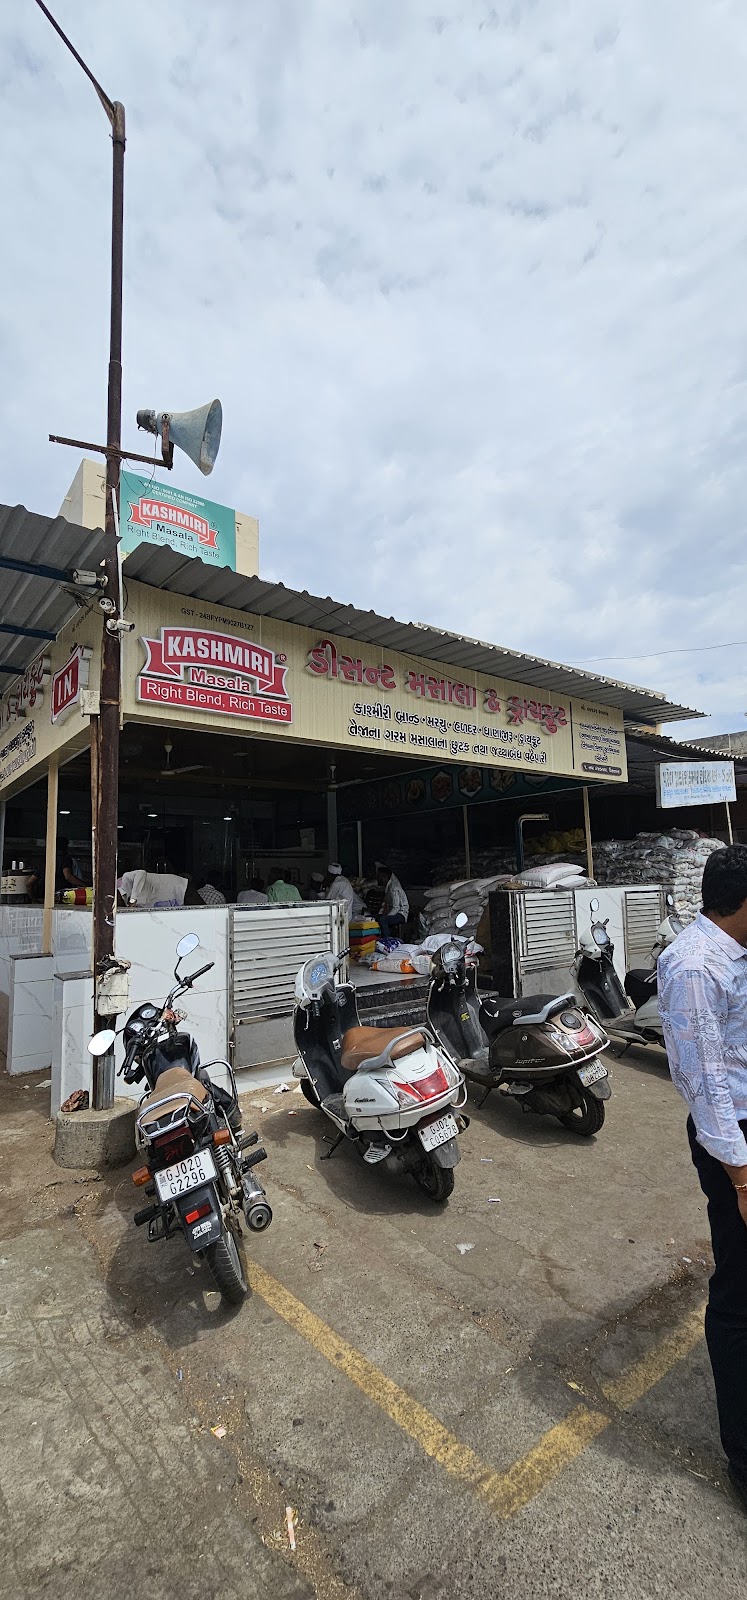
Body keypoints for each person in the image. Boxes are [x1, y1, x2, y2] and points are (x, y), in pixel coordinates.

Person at [659, 844, 747, 1512]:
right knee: (736, 1295)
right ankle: (741, 1456)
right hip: (733, 1144)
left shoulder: (732, 953)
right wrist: (741, 1179)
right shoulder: (693, 965)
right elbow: (704, 1080)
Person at [376, 861, 409, 940]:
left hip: (401, 914)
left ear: (385, 877)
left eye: (379, 876)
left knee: (383, 920)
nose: (378, 879)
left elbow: (396, 908)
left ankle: (387, 941)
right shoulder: (387, 888)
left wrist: (386, 917)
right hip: (395, 914)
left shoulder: (393, 888)